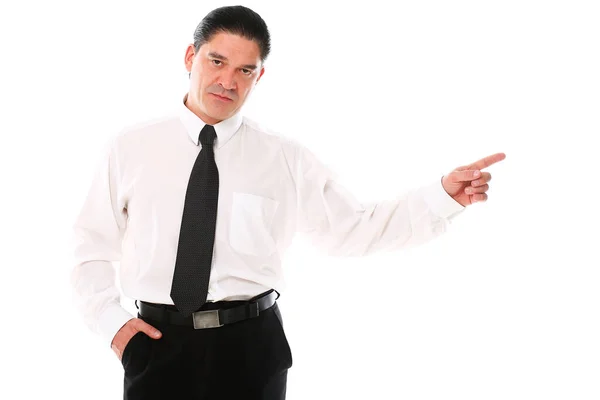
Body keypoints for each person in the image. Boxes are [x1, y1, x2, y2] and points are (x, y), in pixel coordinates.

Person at [70, 5, 505, 400]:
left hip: (251, 348)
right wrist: (115, 327)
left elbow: (354, 229)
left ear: (259, 77)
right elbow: (90, 246)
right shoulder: (130, 148)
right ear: (190, 57)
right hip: (157, 345)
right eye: (216, 61)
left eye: (245, 70)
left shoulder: (284, 157)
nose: (228, 81)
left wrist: (442, 196)